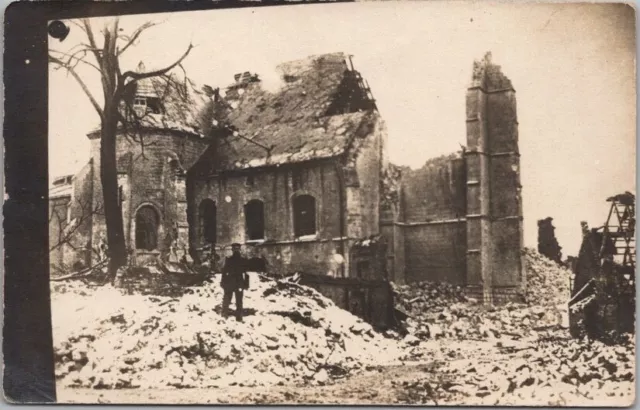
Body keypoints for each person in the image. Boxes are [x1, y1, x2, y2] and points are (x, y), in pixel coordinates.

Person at [221, 243, 249, 321]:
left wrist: (246, 284)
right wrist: (246, 284)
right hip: (235, 283)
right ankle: (229, 315)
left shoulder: (230, 259)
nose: (236, 251)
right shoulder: (232, 260)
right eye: (235, 249)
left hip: (233, 283)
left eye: (237, 249)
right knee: (232, 299)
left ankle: (232, 315)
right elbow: (224, 272)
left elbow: (246, 273)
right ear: (233, 250)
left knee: (235, 300)